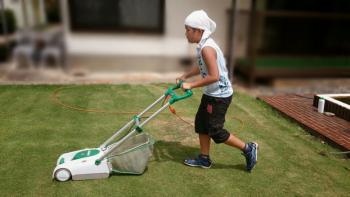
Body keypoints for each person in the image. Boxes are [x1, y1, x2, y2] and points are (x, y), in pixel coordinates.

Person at [177, 10, 258, 172]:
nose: (186, 33)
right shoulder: (203, 45)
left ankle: (248, 148)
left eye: (188, 29)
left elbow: (214, 76)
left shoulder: (207, 48)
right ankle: (204, 159)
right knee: (201, 124)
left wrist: (191, 85)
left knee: (215, 131)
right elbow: (202, 66)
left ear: (199, 30)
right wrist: (186, 75)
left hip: (219, 96)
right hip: (211, 93)